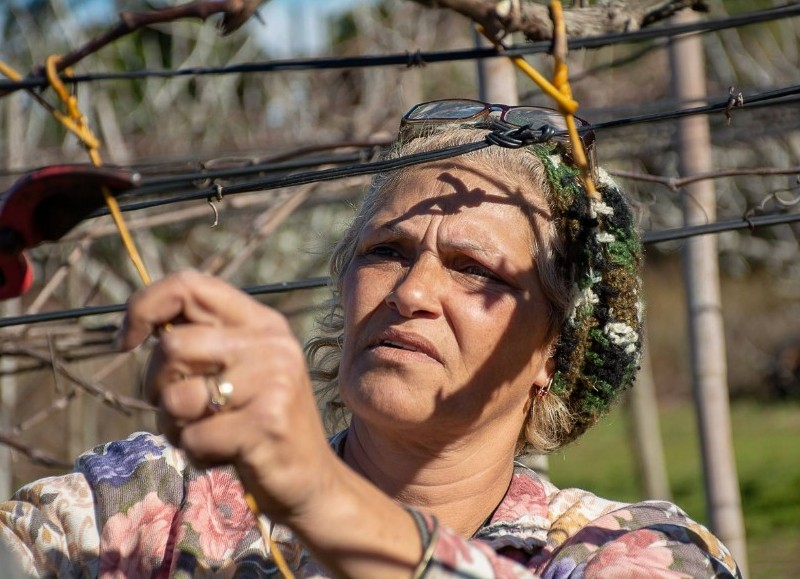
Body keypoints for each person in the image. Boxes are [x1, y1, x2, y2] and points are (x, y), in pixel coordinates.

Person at [0, 99, 740, 578]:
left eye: (473, 268)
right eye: (386, 251)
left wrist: (312, 490)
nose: (413, 293)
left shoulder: (626, 549)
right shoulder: (158, 500)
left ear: (553, 351)